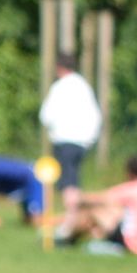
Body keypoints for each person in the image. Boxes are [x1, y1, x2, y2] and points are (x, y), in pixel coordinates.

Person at [60, 155, 137, 256]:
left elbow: (102, 198)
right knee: (113, 211)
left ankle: (66, 239)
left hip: (134, 244)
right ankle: (71, 237)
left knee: (93, 212)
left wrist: (78, 197)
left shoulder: (136, 188)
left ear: (130, 172)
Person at [38, 51, 102, 194]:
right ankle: (74, 205)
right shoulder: (84, 86)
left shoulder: (58, 87)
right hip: (83, 142)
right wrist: (91, 138)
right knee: (74, 177)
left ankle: (71, 207)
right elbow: (96, 116)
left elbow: (46, 116)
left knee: (67, 182)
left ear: (59, 67)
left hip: (63, 140)